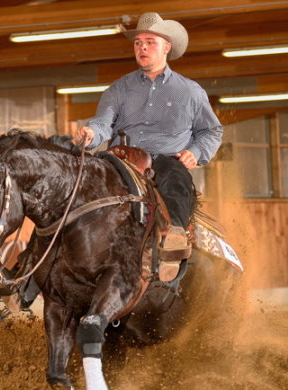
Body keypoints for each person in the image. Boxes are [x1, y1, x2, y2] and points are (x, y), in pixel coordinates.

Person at [74, 12, 223, 281]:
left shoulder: (190, 92)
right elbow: (102, 124)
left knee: (176, 179)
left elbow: (211, 130)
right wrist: (90, 134)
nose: (142, 48)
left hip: (166, 159)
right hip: (121, 159)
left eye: (149, 42)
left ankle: (174, 236)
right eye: (138, 43)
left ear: (167, 47)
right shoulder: (119, 89)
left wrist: (196, 152)